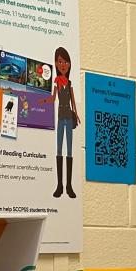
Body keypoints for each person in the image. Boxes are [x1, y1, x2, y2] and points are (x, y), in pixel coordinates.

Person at [49, 45, 79, 199]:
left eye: (65, 62)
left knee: (70, 151)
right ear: (55, 63)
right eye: (60, 61)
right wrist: (41, 101)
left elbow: (73, 101)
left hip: (69, 117)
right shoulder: (56, 82)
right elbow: (53, 98)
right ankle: (60, 186)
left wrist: (77, 114)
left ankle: (69, 186)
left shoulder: (70, 83)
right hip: (60, 118)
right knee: (59, 150)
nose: (63, 65)